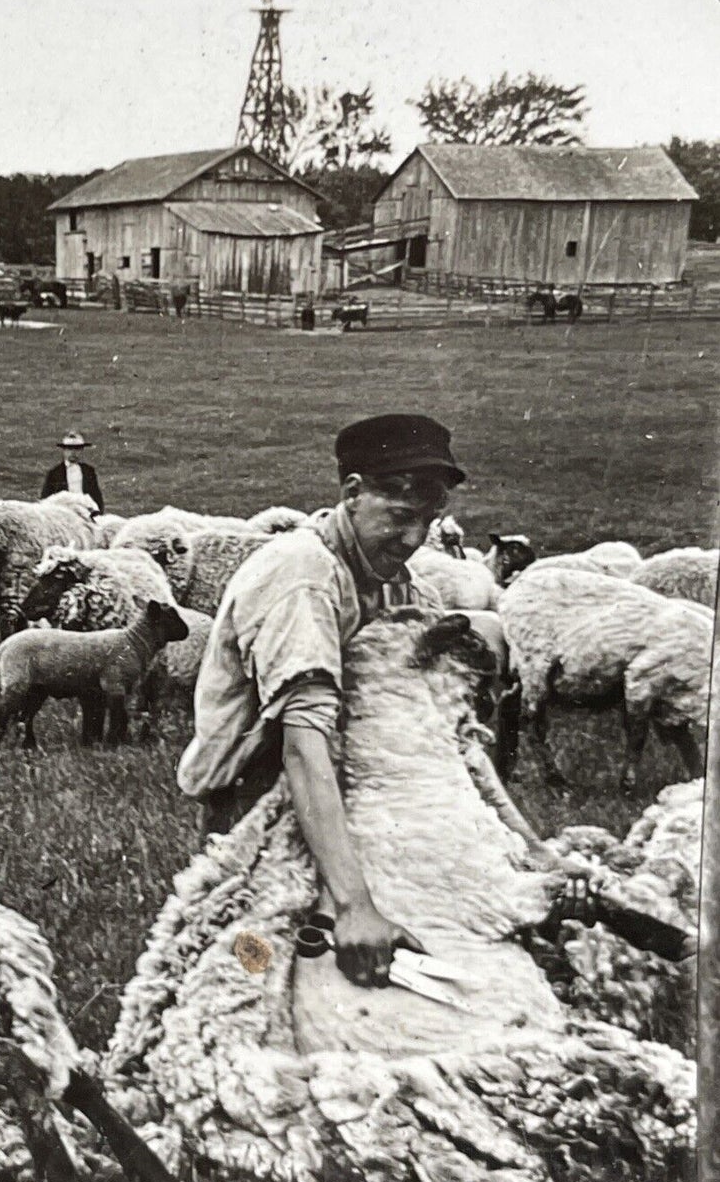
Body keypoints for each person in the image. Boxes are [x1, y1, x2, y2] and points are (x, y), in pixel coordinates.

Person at [176, 413, 467, 990]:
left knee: (346, 982)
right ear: (353, 494)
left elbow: (441, 717)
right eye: (401, 516)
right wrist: (355, 902)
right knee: (253, 967)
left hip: (349, 798)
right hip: (256, 804)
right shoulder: (302, 577)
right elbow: (301, 742)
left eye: (428, 522)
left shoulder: (395, 581)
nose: (414, 541)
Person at [41, 431, 104, 512]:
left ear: (82, 450)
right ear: (64, 450)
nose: (73, 452)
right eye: (69, 449)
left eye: (77, 449)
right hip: (64, 513)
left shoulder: (89, 471)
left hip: (86, 512)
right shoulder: (54, 473)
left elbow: (97, 497)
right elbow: (45, 500)